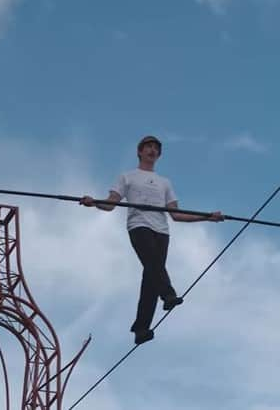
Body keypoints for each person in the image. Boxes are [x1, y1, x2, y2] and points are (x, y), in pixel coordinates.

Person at [80, 136, 224, 345]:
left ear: (158, 155)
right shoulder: (127, 176)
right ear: (140, 151)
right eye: (148, 147)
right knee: (154, 264)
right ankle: (168, 294)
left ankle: (141, 328)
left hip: (162, 231)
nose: (152, 150)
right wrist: (94, 203)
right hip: (139, 226)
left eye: (156, 148)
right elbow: (111, 203)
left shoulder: (165, 182)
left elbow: (176, 214)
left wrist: (207, 217)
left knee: (151, 277)